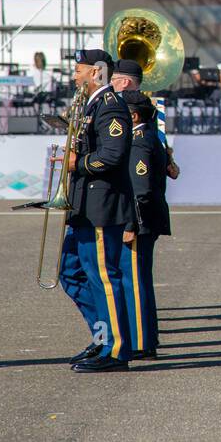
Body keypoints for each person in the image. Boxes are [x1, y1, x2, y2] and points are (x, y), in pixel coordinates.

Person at [61, 49, 135, 373]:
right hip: (84, 206)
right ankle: (102, 335)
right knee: (71, 272)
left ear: (96, 73)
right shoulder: (90, 108)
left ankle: (115, 349)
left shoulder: (110, 107)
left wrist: (79, 162)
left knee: (104, 278)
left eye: (79, 70)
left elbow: (113, 156)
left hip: (102, 206)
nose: (74, 76)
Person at [120, 91, 170, 361]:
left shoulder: (140, 142)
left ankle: (141, 341)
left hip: (140, 221)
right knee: (137, 280)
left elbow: (141, 191)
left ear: (134, 116)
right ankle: (144, 337)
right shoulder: (146, 136)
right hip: (143, 219)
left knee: (135, 282)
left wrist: (130, 224)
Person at [110, 58, 180, 181]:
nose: (110, 83)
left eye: (113, 79)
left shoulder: (117, 103)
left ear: (125, 82)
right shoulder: (147, 104)